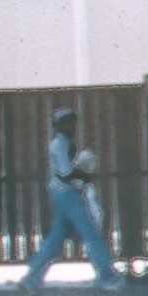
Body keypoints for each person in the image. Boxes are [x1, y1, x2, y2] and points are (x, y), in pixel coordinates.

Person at [18, 110, 116, 286]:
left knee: (56, 238)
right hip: (67, 194)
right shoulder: (60, 144)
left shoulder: (64, 143)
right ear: (58, 125)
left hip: (63, 194)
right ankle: (107, 277)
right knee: (91, 233)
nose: (71, 126)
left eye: (72, 122)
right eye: (66, 122)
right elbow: (65, 173)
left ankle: (31, 278)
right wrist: (85, 175)